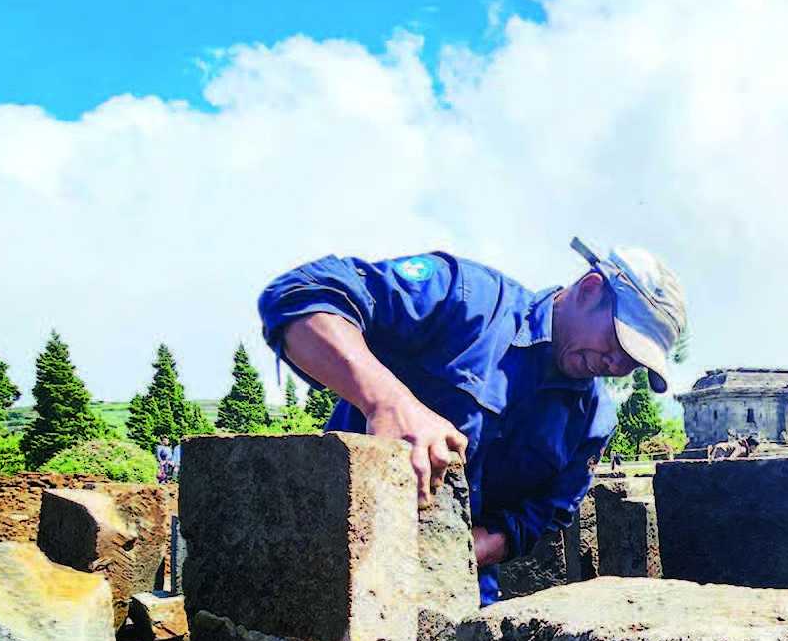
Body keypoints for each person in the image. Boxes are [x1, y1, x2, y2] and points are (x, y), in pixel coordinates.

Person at [258, 238, 686, 605]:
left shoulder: (593, 421)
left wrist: (468, 550)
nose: (616, 364)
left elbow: (545, 512)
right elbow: (299, 296)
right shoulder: (466, 302)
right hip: (338, 560)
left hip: (455, 589)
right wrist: (387, 402)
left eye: (632, 362)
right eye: (619, 342)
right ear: (591, 291)